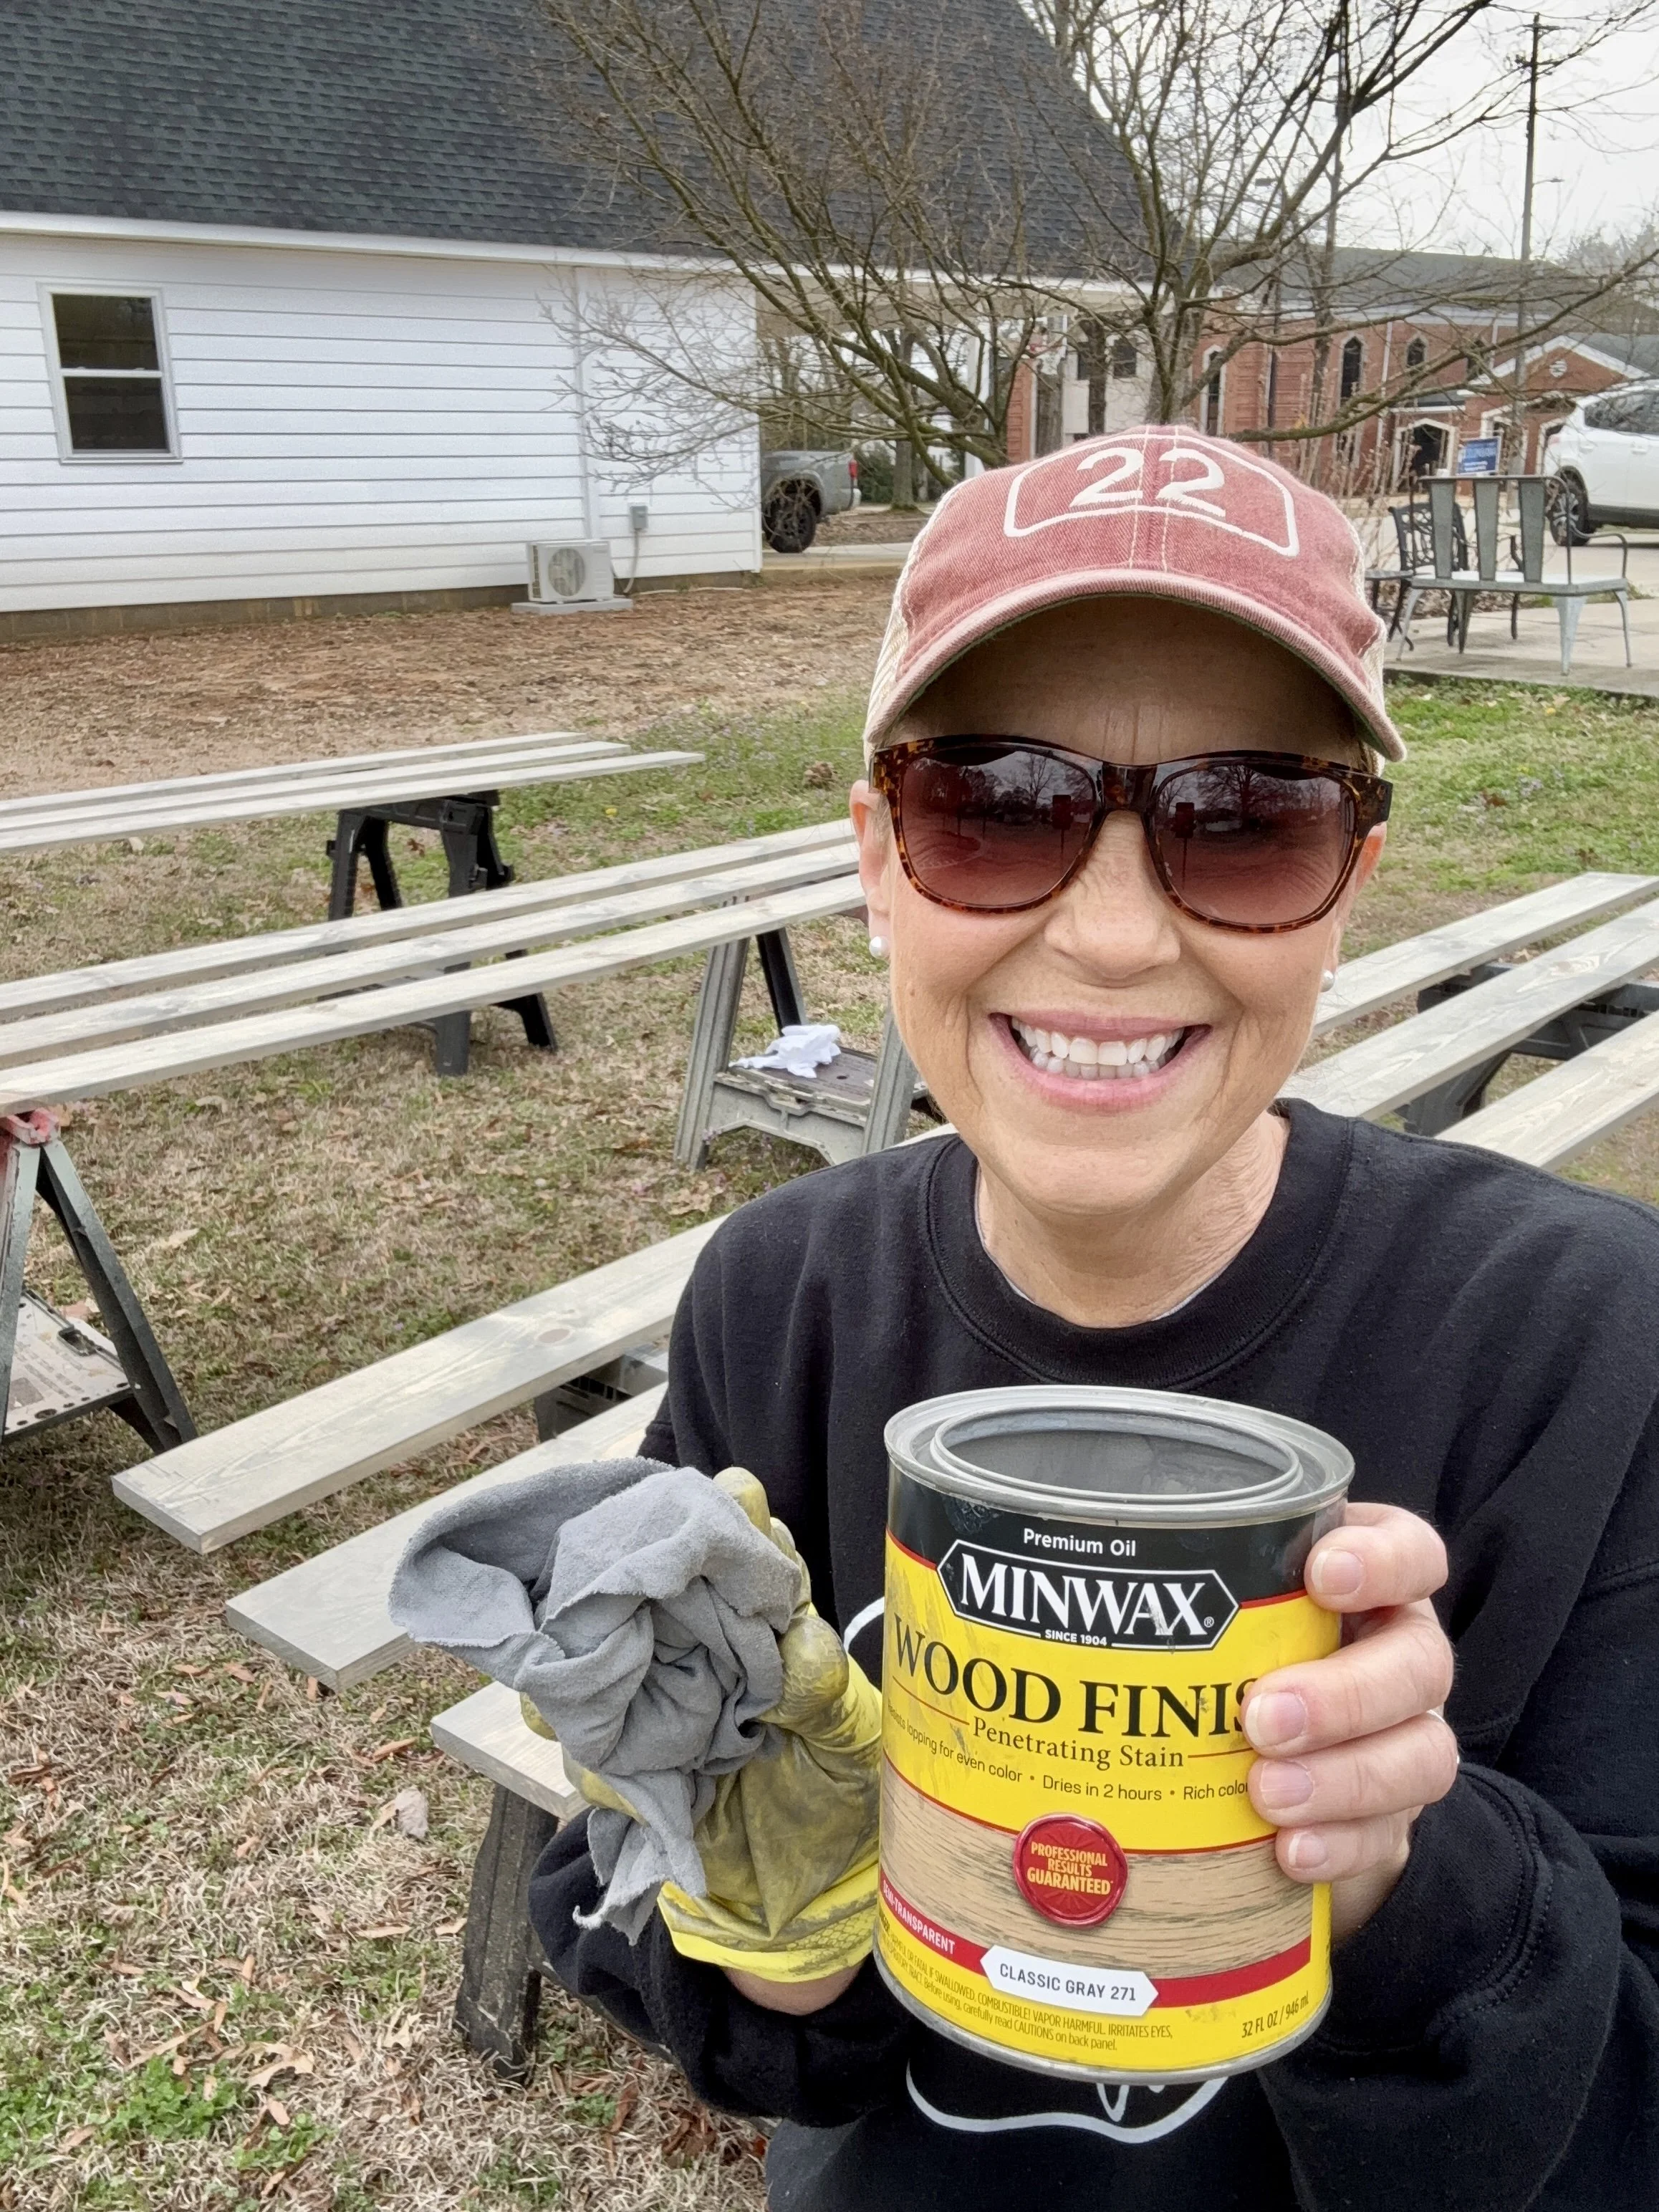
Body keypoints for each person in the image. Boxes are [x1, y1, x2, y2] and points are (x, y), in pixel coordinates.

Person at [529, 427, 1659, 2210]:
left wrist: (1400, 1875)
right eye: (994, 803)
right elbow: (676, 1949)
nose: (1118, 936)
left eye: (1248, 818)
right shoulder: (781, 1296)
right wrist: (773, 1901)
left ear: (1351, 887)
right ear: (878, 863)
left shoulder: (1582, 1342)